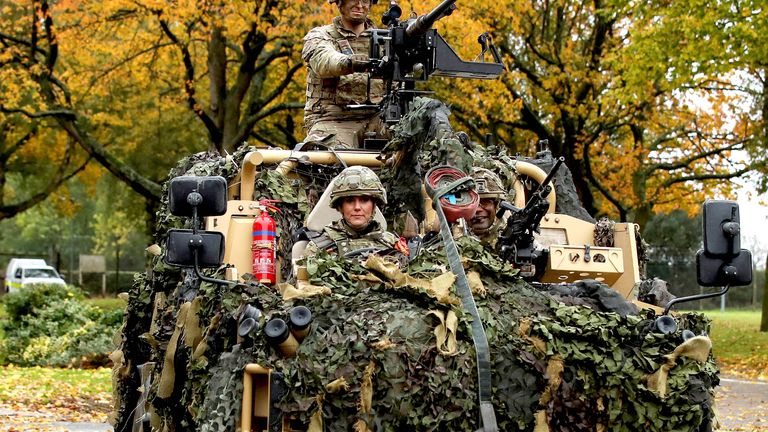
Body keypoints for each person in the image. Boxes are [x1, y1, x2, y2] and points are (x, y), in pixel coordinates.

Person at [301, 0, 388, 148]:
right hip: (331, 120)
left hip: (378, 120)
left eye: (365, 1)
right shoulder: (320, 36)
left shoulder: (386, 40)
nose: (359, 5)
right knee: (330, 160)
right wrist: (351, 62)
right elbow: (324, 60)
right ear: (340, 2)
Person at [304, 166, 409, 261]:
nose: (357, 207)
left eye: (364, 200)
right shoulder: (319, 247)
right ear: (340, 206)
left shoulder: (392, 245)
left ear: (374, 205)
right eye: (349, 201)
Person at [469, 167, 507, 248]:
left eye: (485, 201)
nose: (478, 209)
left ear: (497, 206)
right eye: (471, 202)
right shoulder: (446, 241)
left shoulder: (512, 239)